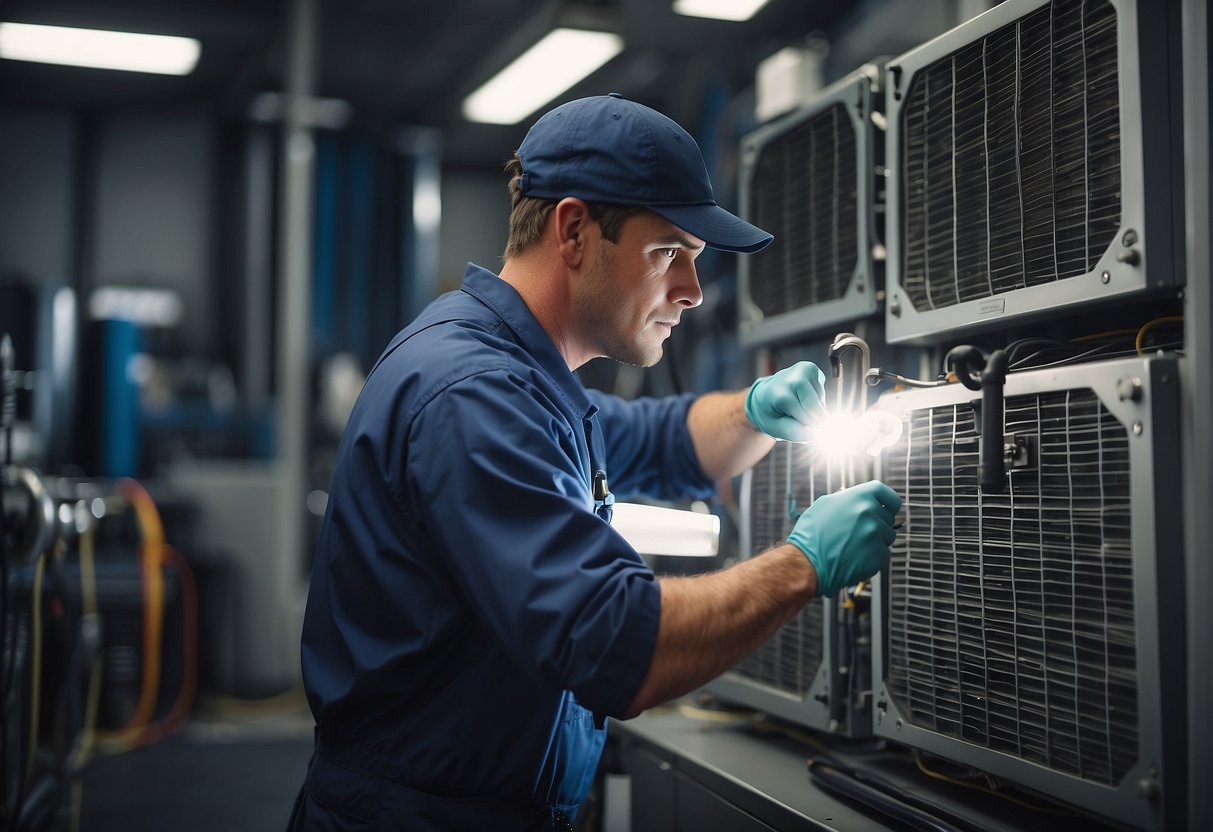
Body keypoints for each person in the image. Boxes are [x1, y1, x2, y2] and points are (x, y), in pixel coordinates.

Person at [287, 93, 900, 831]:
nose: (693, 293)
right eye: (669, 251)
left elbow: (661, 437)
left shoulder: (518, 374)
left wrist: (759, 409)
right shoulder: (474, 395)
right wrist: (806, 562)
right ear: (574, 229)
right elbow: (619, 644)